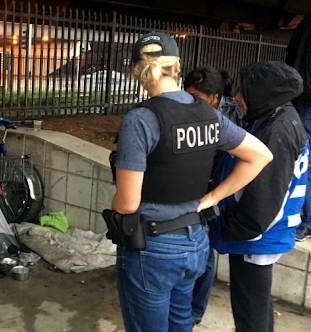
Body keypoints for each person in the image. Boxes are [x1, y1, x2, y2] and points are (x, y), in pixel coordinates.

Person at [110, 32, 273, 332]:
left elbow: (128, 202)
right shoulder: (208, 113)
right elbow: (260, 155)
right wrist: (211, 199)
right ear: (177, 67)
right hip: (195, 241)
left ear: (137, 73)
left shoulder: (141, 120)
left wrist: (115, 202)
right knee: (180, 323)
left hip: (153, 246)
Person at [209, 61, 308, 332]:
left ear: (263, 92)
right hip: (257, 235)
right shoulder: (278, 118)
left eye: (244, 91)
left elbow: (268, 193)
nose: (238, 98)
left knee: (249, 312)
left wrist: (234, 228)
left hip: (255, 237)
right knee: (257, 307)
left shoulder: (278, 129)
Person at [183, 66, 244, 326]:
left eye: (197, 96)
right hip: (191, 188)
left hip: (213, 193)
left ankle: (195, 310)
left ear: (215, 97)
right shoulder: (188, 110)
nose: (190, 101)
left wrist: (215, 195)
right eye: (187, 95)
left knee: (205, 256)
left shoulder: (228, 118)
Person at [286, 13, 311, 242]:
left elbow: (294, 54)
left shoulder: (307, 22)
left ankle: (306, 222)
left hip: (306, 100)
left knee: (303, 161)